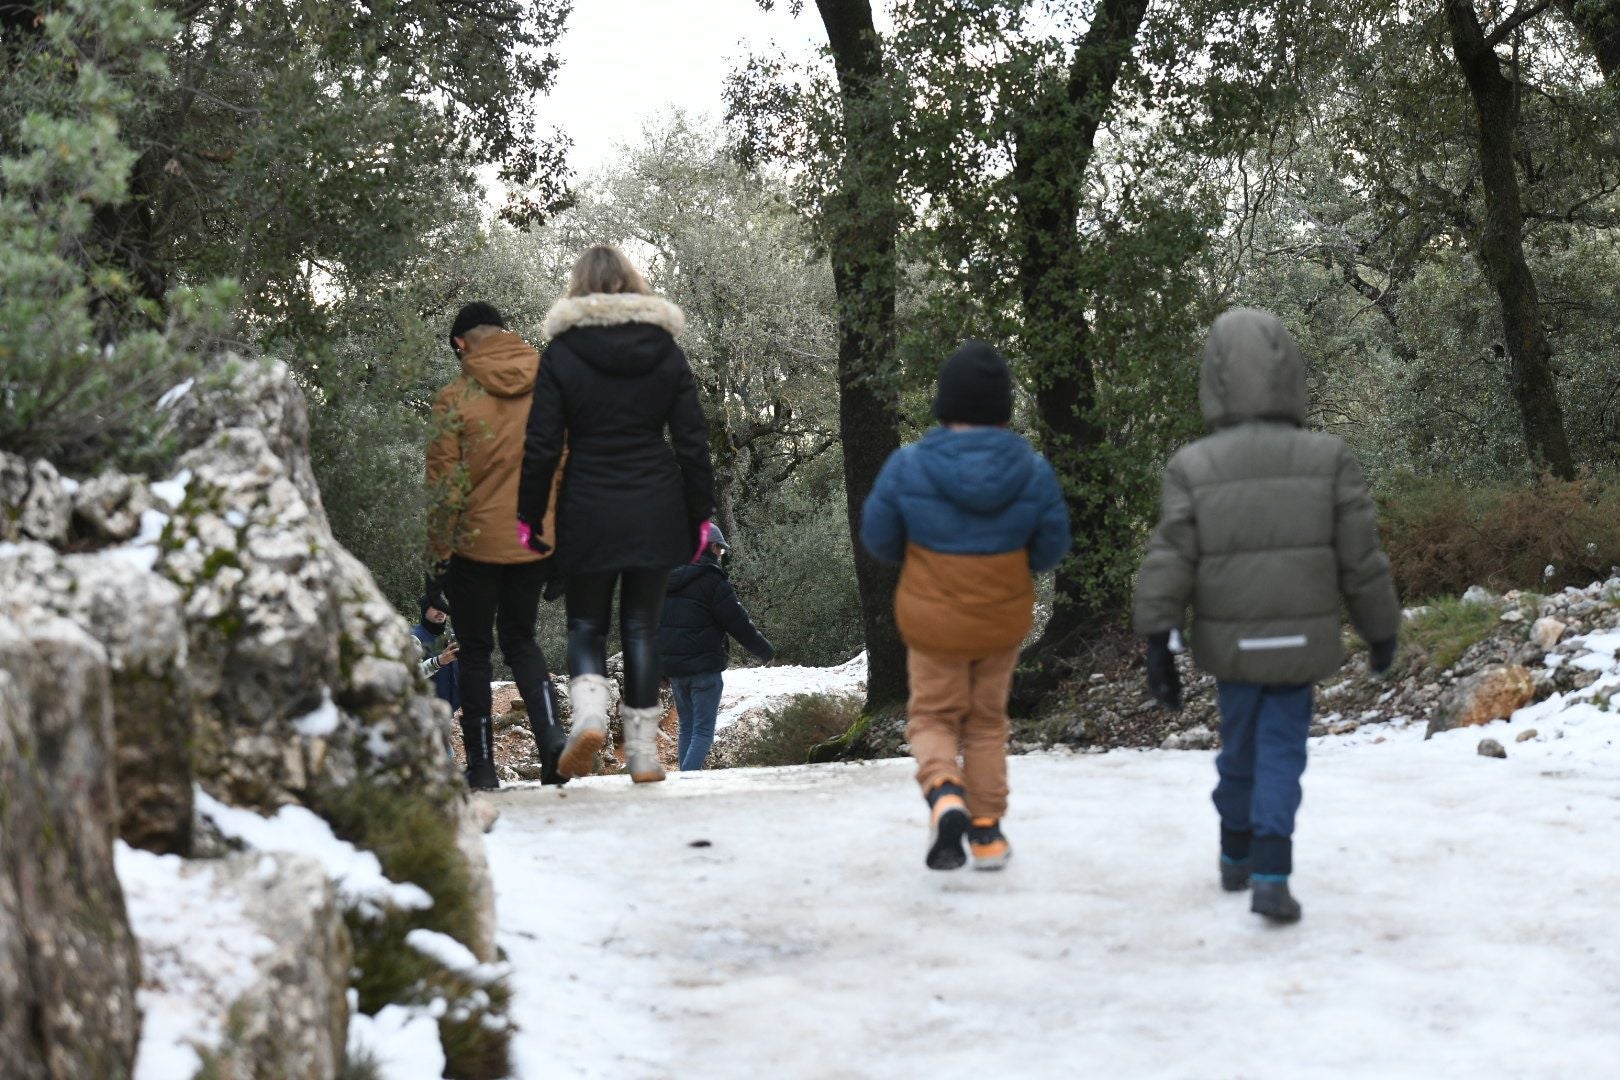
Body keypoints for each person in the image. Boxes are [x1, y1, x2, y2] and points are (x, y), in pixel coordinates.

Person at [1134, 307, 1400, 924]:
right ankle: (1272, 874)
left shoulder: (1193, 467)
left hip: (1233, 647)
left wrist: (1158, 639)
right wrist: (1380, 629)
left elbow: (1170, 557)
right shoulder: (1327, 457)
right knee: (1282, 751)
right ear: (1288, 372)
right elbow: (1361, 559)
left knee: (1240, 748)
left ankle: (1235, 851)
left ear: (1215, 378)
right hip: (1300, 639)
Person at [860, 341, 1071, 871]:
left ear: (944, 404)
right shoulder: (1033, 470)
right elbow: (1051, 549)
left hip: (932, 622)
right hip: (1000, 621)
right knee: (985, 722)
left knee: (932, 714)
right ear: (1003, 408)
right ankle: (988, 832)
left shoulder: (907, 466)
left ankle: (945, 795)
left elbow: (879, 539)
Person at [517, 245, 714, 784]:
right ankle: (645, 754)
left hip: (588, 505)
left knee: (585, 624)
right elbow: (693, 440)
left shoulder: (561, 354)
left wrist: (529, 515)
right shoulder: (665, 350)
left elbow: (540, 445)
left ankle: (588, 719)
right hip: (656, 503)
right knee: (642, 628)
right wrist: (701, 513)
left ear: (578, 288)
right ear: (633, 284)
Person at [428, 301, 568, 792]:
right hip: (533, 541)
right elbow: (564, 467)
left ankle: (482, 766)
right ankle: (553, 739)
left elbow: (445, 485)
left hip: (472, 546)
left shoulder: (455, 396)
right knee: (522, 640)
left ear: (463, 342)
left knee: (475, 652)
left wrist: (438, 554)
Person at [659, 522, 775, 771]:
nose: (720, 554)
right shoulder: (712, 579)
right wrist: (765, 651)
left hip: (676, 672)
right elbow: (738, 622)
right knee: (702, 732)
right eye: (719, 550)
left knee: (686, 728)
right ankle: (687, 785)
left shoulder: (664, 581)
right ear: (711, 547)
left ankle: (686, 781)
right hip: (704, 670)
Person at [412, 590, 460, 715]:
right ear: (424, 611)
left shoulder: (448, 636)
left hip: (447, 711)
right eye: (434, 607)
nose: (440, 611)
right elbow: (412, 675)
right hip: (423, 713)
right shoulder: (414, 638)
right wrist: (438, 661)